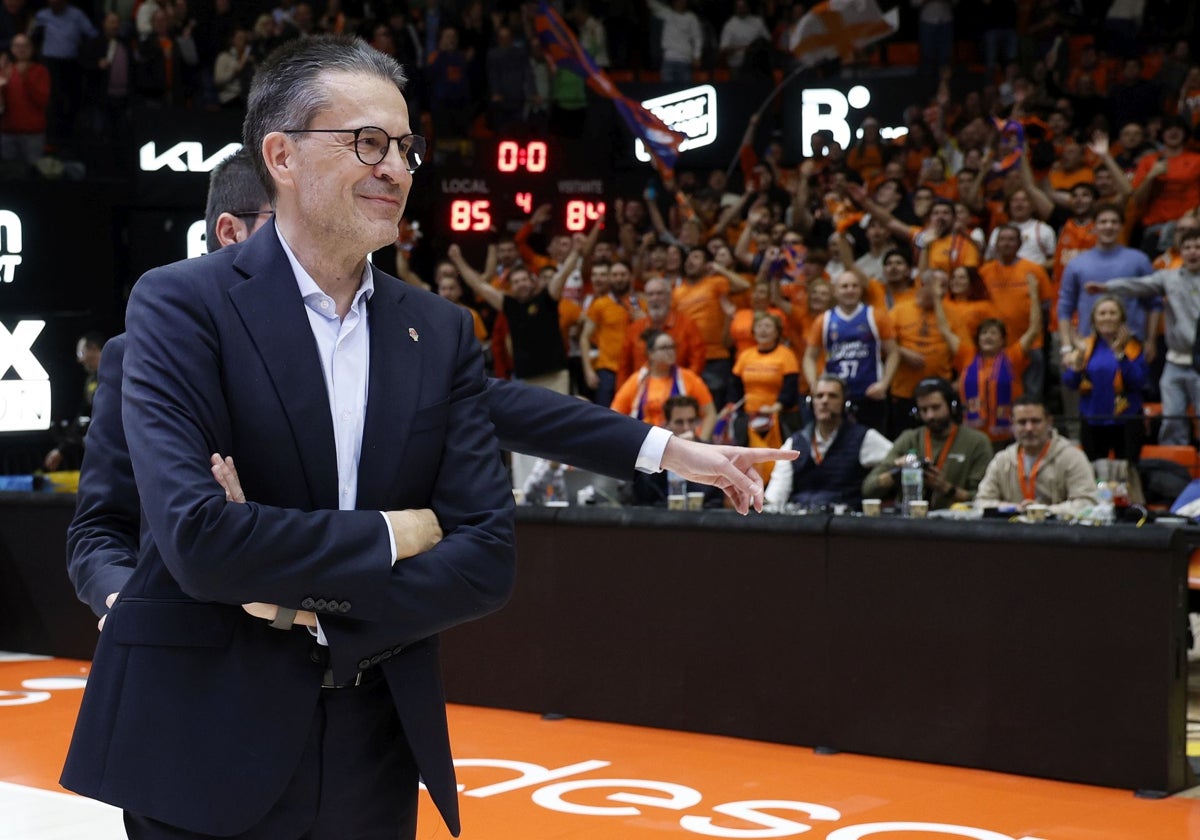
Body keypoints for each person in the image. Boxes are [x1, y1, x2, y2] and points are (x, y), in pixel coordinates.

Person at [62, 35, 519, 840]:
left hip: (375, 745)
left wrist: (295, 597)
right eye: (367, 143)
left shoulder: (442, 332)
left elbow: (485, 561)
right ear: (280, 154)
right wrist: (391, 535)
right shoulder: (178, 305)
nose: (396, 167)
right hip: (199, 735)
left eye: (406, 147)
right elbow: (200, 540)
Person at [1088, 228, 1200, 446]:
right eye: (1187, 247)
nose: (1192, 252)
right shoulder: (1169, 278)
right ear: (1181, 251)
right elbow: (1138, 285)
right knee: (1172, 418)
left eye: (1197, 247)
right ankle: (1171, 469)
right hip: (1175, 361)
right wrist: (1107, 287)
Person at [938, 273, 1041, 446]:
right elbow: (945, 330)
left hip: (1007, 434)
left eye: (994, 333)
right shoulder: (967, 355)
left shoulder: (1012, 356)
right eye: (984, 333)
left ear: (1002, 340)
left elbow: (1034, 329)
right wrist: (936, 299)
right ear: (977, 338)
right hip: (973, 435)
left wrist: (1034, 295)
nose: (988, 337)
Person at [862, 377, 994, 510]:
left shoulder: (977, 442)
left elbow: (984, 499)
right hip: (911, 521)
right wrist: (896, 473)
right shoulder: (909, 438)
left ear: (952, 406)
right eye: (924, 410)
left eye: (936, 407)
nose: (930, 415)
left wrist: (945, 488)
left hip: (957, 522)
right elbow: (868, 489)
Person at [763, 374, 892, 511]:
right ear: (810, 403)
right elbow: (775, 496)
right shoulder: (794, 443)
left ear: (845, 403)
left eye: (832, 396)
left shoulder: (864, 437)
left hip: (845, 524)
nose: (824, 401)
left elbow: (897, 459)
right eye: (819, 396)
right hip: (802, 523)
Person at [802, 270, 899, 433]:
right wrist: (814, 384)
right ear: (835, 291)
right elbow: (809, 357)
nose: (850, 290)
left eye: (854, 286)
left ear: (861, 290)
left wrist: (884, 384)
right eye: (845, 286)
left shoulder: (875, 316)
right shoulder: (824, 320)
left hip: (869, 394)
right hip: (835, 396)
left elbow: (893, 353)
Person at [975, 396, 1099, 517]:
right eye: (1022, 422)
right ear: (1012, 424)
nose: (1029, 428)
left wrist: (1044, 511)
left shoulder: (1072, 457)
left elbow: (1087, 504)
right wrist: (1014, 509)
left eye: (1035, 421)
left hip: (1059, 533)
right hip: (1012, 533)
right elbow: (981, 502)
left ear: (1049, 422)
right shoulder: (1002, 460)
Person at [1061, 295, 1148, 461]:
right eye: (1102, 313)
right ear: (1094, 319)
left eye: (1112, 313)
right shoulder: (1085, 346)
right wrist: (1078, 359)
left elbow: (1138, 382)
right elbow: (1070, 382)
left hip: (1126, 421)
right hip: (1093, 420)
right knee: (1094, 475)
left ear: (1121, 318)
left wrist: (1120, 354)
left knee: (1127, 474)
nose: (1107, 317)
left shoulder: (1134, 346)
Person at [728, 312, 800, 484]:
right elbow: (735, 386)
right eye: (759, 326)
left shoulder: (786, 355)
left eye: (768, 326)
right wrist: (731, 405)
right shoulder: (746, 355)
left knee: (776, 460)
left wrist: (777, 406)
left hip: (777, 418)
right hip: (749, 417)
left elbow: (791, 388)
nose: (763, 330)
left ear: (777, 332)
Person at [611, 328, 716, 440]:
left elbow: (710, 413)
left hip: (683, 443)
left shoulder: (689, 378)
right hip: (646, 444)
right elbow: (614, 414)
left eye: (672, 347)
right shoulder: (637, 381)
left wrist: (700, 443)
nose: (670, 351)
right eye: (664, 348)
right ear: (650, 353)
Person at [629, 395, 724, 508]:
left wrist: (690, 456)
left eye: (691, 421)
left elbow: (714, 499)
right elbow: (645, 496)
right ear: (667, 424)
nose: (686, 428)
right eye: (679, 422)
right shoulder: (653, 456)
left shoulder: (710, 454)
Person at [43, 330, 104, 471]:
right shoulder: (91, 381)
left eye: (81, 353)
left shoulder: (119, 375)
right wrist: (62, 449)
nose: (79, 360)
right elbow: (84, 417)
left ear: (94, 349)